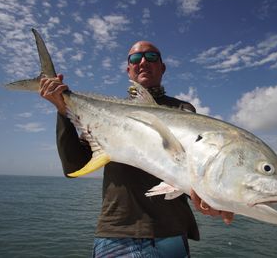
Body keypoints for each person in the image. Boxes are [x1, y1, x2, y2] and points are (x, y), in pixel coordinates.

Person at [39, 41, 234, 257]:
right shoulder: (105, 115)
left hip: (170, 233)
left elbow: (190, 171)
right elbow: (73, 166)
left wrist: (210, 198)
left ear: (162, 67)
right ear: (128, 70)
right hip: (117, 233)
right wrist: (62, 108)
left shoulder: (183, 111)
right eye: (135, 58)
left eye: (151, 57)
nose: (142, 62)